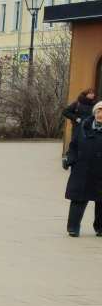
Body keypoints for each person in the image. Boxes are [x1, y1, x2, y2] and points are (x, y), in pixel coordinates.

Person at [63, 98, 102, 237]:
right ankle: (73, 227)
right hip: (82, 169)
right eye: (99, 110)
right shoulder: (83, 126)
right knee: (78, 199)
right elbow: (74, 145)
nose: (100, 114)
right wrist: (68, 159)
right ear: (94, 112)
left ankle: (100, 228)